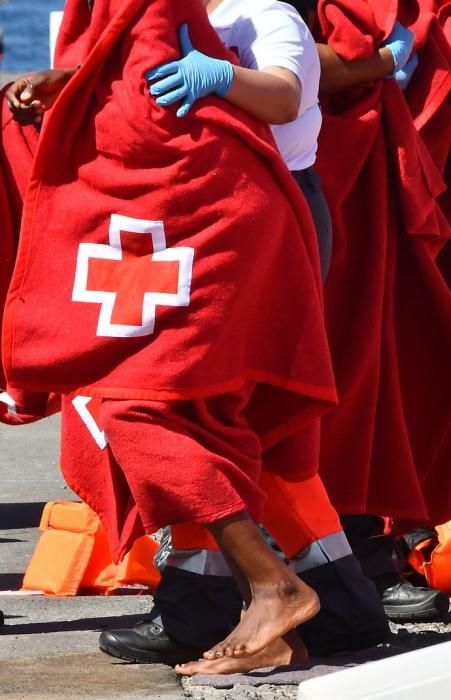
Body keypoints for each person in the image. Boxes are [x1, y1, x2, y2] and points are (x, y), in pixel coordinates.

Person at [1, 0, 339, 674]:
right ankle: (269, 622)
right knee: (200, 421)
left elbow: (286, 93)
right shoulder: (161, 22)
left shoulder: (260, 13)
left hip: (240, 228)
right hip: (176, 228)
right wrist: (67, 80)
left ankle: (277, 586)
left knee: (130, 406)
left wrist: (219, 75)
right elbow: (137, 73)